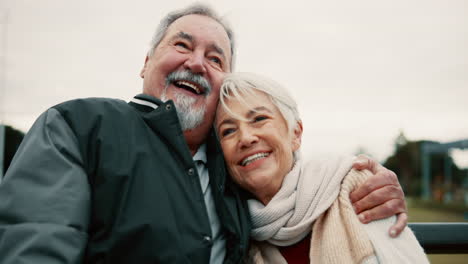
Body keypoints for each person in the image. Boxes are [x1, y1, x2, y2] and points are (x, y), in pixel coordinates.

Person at [0, 3, 406, 263]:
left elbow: (302, 185)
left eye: (215, 58)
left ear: (225, 83)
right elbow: (36, 246)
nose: (197, 63)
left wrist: (368, 183)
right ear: (146, 62)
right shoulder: (80, 126)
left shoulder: (237, 166)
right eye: (182, 45)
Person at [215, 72, 428, 263]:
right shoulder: (232, 231)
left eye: (259, 119)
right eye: (228, 131)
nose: (246, 138)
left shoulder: (354, 187)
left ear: (296, 134)